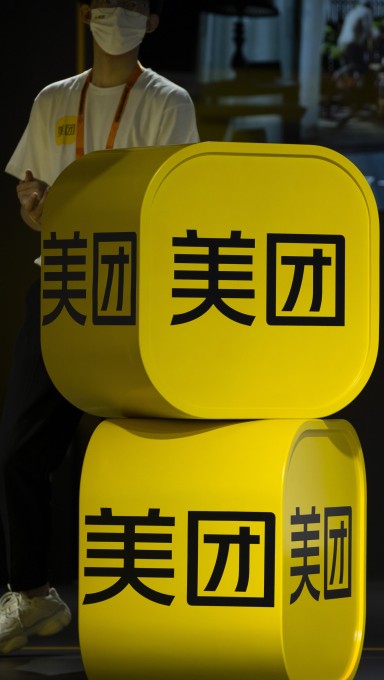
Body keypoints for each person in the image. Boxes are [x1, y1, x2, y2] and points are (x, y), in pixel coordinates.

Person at [0, 0, 199, 654]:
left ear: (153, 20)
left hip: (134, 293)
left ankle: (150, 603)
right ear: (87, 15)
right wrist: (33, 205)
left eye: (134, 6)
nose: (119, 16)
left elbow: (171, 195)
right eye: (109, 4)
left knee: (128, 451)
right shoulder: (52, 99)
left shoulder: (168, 102)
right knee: (20, 446)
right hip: (60, 284)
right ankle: (30, 595)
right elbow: (31, 188)